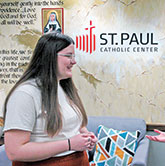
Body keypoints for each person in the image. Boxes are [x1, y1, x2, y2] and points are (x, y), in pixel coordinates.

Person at [3, 32, 97, 166]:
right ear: (49, 57)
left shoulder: (64, 87)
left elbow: (76, 125)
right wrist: (70, 144)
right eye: (68, 55)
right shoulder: (25, 94)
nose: (74, 61)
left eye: (74, 56)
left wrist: (86, 136)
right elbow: (15, 151)